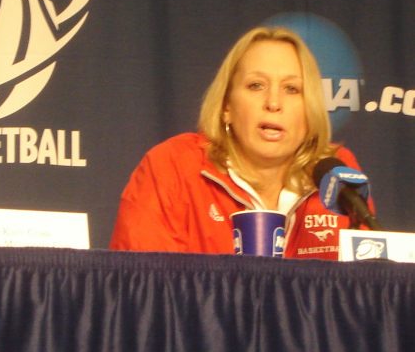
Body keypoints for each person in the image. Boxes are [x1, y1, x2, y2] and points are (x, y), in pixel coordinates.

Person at [109, 26, 373, 260]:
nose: (273, 103)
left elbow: (368, 289)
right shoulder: (174, 165)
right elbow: (143, 288)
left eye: (292, 89)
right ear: (227, 106)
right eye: (256, 85)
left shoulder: (337, 175)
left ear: (310, 110)